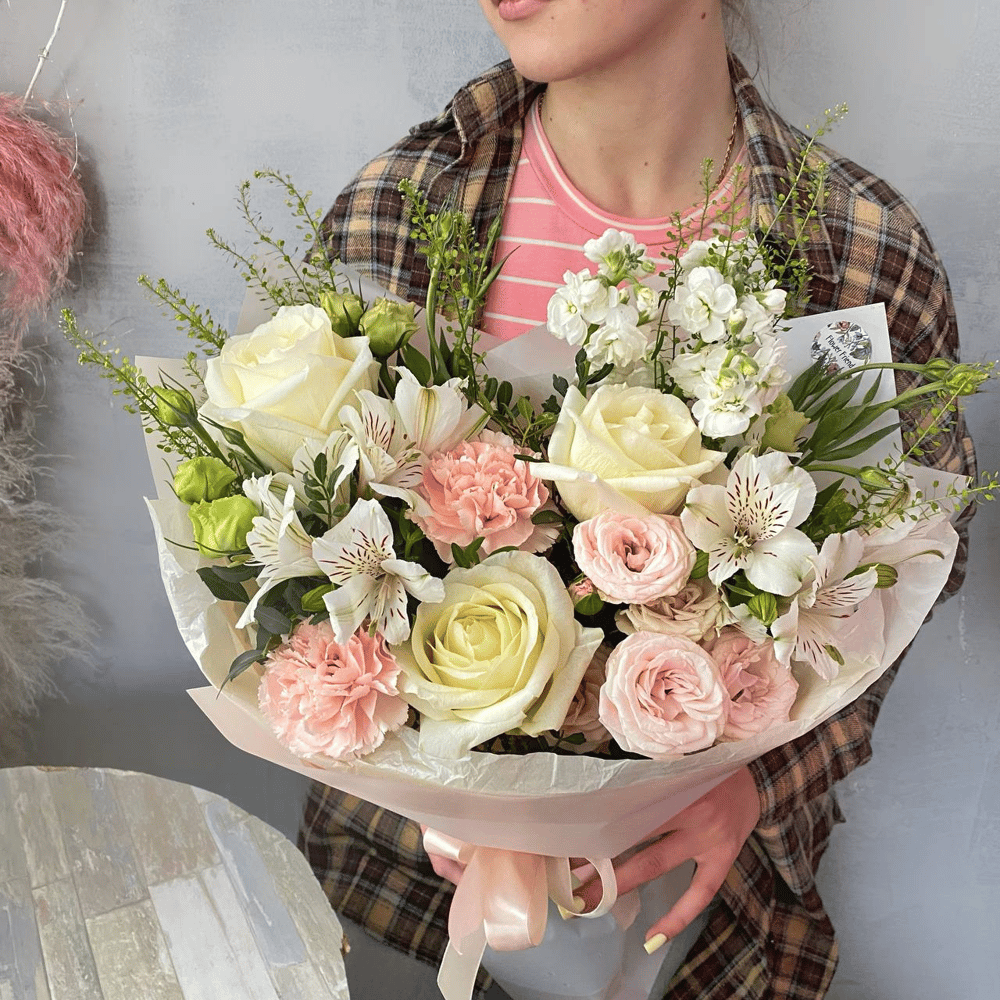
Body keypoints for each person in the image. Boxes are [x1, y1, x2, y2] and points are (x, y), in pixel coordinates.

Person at [298, 2, 977, 997]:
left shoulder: (858, 254)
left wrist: (755, 785)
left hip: (711, 937)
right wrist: (425, 791)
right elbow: (303, 573)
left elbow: (902, 573)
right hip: (398, 912)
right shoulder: (398, 213)